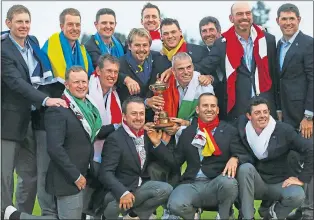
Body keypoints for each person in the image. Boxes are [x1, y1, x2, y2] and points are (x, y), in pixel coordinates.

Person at [2, 66, 115, 220]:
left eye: (83, 81)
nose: (81, 85)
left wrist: (118, 126)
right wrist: (76, 176)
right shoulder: (58, 110)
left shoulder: (88, 107)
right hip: (68, 179)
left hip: (85, 172)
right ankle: (17, 216)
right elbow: (55, 149)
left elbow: (90, 133)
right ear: (67, 85)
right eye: (76, 82)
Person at [161, 2, 277, 123]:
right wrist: (174, 68)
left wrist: (278, 108)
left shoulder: (267, 39)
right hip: (239, 108)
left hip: (265, 105)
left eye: (247, 13)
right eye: (239, 14)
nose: (244, 17)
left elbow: (274, 74)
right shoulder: (223, 43)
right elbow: (206, 64)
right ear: (231, 18)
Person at [1, 4, 67, 214]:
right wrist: (46, 100)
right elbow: (17, 83)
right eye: (19, 21)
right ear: (8, 23)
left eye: (27, 21)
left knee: (29, 175)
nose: (24, 25)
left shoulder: (34, 43)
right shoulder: (3, 50)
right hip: (7, 121)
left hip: (32, 119)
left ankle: (22, 215)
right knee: (4, 178)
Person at [147, 93, 248, 219]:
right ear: (197, 109)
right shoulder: (188, 132)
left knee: (229, 183)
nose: (209, 109)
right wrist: (158, 144)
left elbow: (244, 153)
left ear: (217, 110)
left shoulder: (229, 131)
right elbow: (175, 161)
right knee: (174, 205)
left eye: (213, 106)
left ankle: (225, 215)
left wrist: (235, 158)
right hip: (191, 183)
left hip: (216, 182)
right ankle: (193, 214)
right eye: (205, 105)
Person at [147, 52, 215, 219]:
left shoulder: (203, 85)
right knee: (156, 169)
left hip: (194, 137)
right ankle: (165, 208)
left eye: (189, 67)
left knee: (183, 172)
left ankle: (185, 208)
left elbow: (210, 118)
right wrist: (163, 123)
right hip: (168, 136)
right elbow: (159, 110)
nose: (186, 72)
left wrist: (184, 125)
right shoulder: (165, 83)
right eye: (181, 69)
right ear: (173, 71)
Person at [236, 96, 313, 220]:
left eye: (265, 112)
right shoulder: (242, 127)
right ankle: (247, 216)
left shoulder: (284, 130)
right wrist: (235, 157)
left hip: (279, 183)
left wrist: (302, 178)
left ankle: (272, 215)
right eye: (257, 113)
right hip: (257, 182)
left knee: (297, 195)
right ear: (249, 116)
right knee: (245, 168)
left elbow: (310, 149)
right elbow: (232, 142)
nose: (262, 116)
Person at [98, 96, 173, 219]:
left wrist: (158, 144)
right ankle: (108, 215)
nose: (138, 118)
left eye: (141, 114)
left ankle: (133, 215)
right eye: (134, 114)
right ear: (124, 116)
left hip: (139, 188)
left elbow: (171, 162)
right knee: (113, 205)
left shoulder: (147, 135)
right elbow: (105, 173)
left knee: (165, 189)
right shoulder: (115, 139)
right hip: (117, 192)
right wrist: (123, 193)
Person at [275, 3, 313, 220]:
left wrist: (309, 116)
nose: (288, 22)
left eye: (292, 18)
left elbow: (313, 78)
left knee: (310, 158)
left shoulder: (308, 44)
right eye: (284, 19)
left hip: (304, 116)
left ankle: (310, 210)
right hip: (286, 115)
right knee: (293, 159)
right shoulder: (279, 45)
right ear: (278, 21)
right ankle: (300, 206)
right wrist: (279, 109)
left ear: (299, 20)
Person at [42, 8, 94, 94]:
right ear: (62, 26)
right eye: (70, 24)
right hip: (56, 98)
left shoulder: (83, 51)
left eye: (77, 25)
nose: (74, 28)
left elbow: (91, 77)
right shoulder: (49, 48)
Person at [116, 28, 161, 121]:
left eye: (145, 45)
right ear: (129, 46)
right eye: (137, 45)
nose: (141, 49)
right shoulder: (119, 65)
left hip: (154, 120)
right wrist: (125, 78)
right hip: (131, 121)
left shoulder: (157, 58)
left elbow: (176, 63)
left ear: (150, 46)